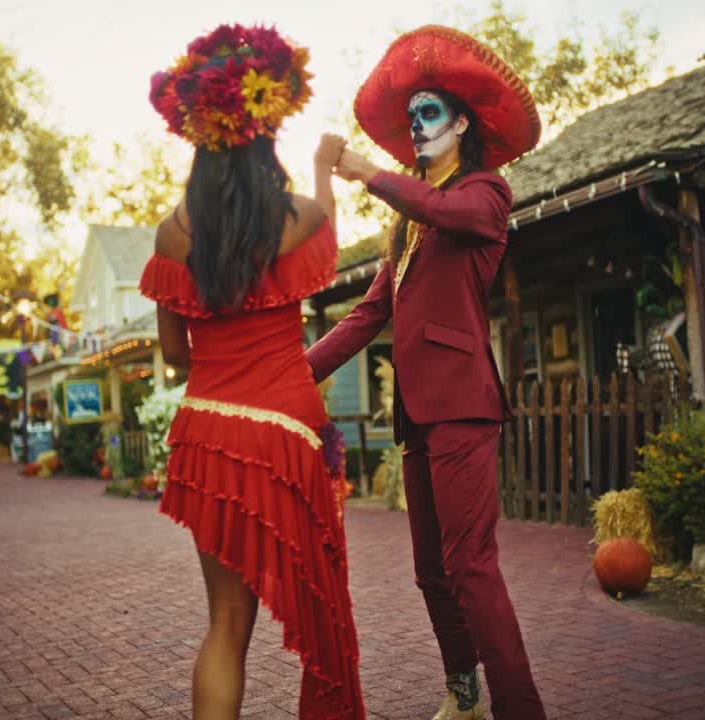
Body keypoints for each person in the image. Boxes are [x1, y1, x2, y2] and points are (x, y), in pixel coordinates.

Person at [307, 25, 548, 720]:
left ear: (462, 121)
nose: (417, 126)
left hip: (465, 405)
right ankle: (464, 692)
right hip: (417, 410)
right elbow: (365, 315)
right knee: (430, 572)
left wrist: (361, 169)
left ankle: (521, 709)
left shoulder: (486, 192)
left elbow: (440, 205)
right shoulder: (407, 227)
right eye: (410, 117)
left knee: (472, 569)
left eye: (430, 113)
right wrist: (294, 375)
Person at [139, 24, 365, 720]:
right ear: (264, 131)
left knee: (225, 626)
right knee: (323, 618)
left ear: (199, 139)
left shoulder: (171, 234)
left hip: (208, 436)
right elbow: (326, 220)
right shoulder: (296, 218)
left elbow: (176, 356)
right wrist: (326, 169)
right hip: (286, 436)